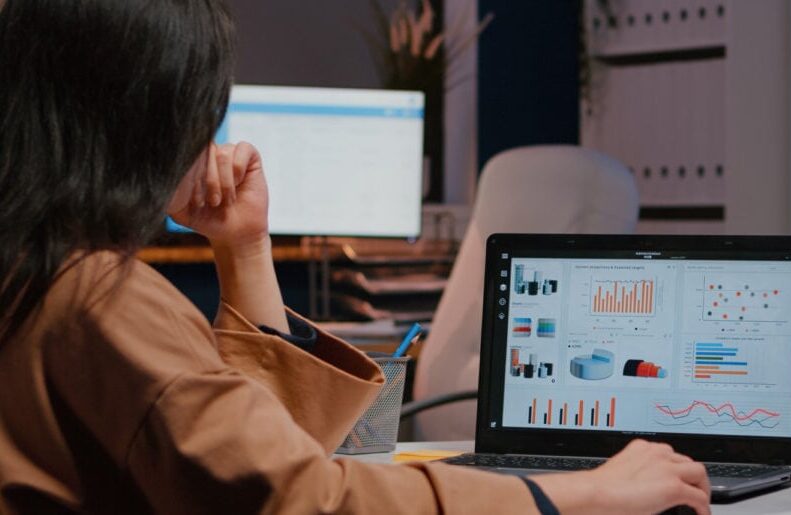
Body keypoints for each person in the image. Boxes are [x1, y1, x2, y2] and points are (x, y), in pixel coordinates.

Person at [0, 0, 711, 513]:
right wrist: (583, 493)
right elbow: (306, 498)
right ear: (153, 119)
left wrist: (243, 246)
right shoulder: (99, 297)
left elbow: (248, 456)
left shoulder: (37, 273)